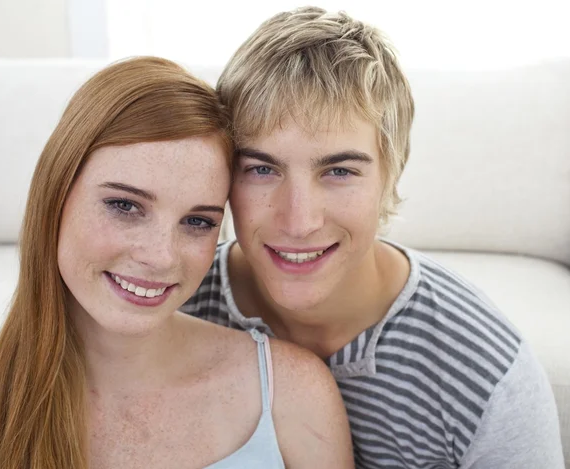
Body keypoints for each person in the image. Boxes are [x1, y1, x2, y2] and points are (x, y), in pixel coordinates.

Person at [181, 7, 565, 469]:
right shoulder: (174, 303)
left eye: (339, 171)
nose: (299, 220)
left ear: (391, 174)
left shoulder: (487, 379)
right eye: (262, 169)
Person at [0, 57, 354, 469]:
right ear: (56, 195)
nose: (161, 256)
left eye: (196, 221)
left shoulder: (291, 393)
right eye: (124, 205)